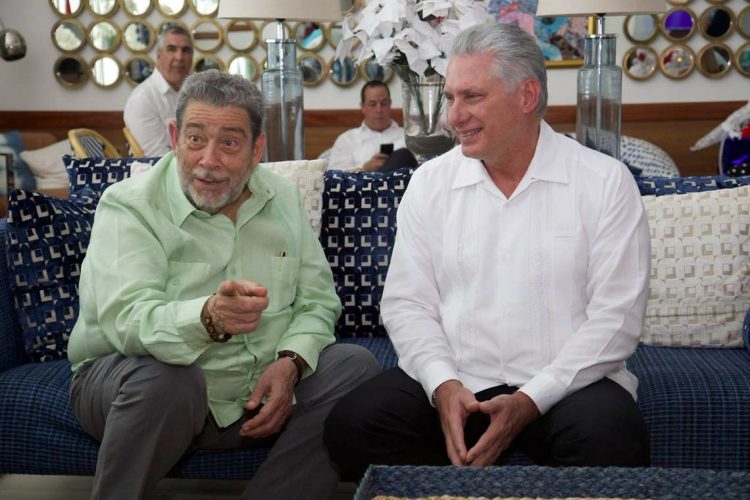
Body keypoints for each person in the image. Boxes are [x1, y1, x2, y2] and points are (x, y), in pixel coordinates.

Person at [324, 23, 651, 480]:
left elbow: (616, 318)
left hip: (566, 385)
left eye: (471, 97)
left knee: (612, 436)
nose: (451, 117)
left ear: (527, 95)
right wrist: (442, 385)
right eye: (450, 97)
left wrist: (530, 400)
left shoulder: (603, 182)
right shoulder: (430, 183)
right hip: (460, 377)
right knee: (352, 427)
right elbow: (407, 303)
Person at [68, 70, 380, 499]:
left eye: (229, 143)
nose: (208, 160)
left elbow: (318, 301)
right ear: (175, 136)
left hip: (251, 394)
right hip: (133, 389)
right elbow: (128, 321)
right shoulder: (129, 205)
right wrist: (207, 318)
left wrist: (290, 362)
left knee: (354, 365)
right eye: (195, 139)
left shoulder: (283, 199)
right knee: (170, 379)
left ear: (256, 150)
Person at [123, 25, 193, 157]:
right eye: (172, 49)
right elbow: (157, 159)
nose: (179, 57)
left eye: (186, 50)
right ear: (159, 55)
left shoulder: (194, 93)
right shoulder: (142, 99)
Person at [327, 80, 416, 172]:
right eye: (372, 104)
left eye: (383, 103)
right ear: (363, 107)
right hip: (363, 184)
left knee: (402, 154)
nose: (379, 110)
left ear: (390, 104)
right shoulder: (347, 140)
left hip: (404, 184)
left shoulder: (410, 137)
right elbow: (333, 176)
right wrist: (363, 168)